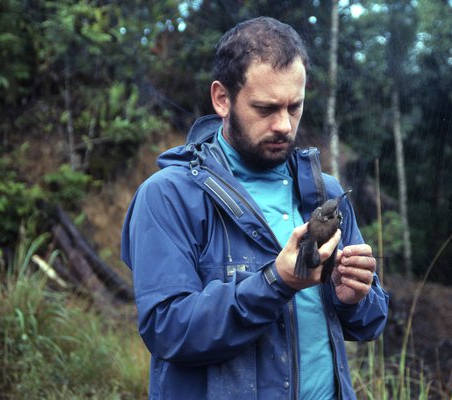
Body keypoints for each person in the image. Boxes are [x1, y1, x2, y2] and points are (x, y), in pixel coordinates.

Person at [121, 16, 389, 400]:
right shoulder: (168, 196)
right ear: (222, 99)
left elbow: (369, 324)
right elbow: (168, 331)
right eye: (265, 108)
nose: (283, 125)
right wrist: (275, 283)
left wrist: (355, 297)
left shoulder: (322, 193)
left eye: (294, 107)